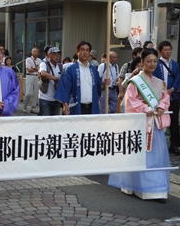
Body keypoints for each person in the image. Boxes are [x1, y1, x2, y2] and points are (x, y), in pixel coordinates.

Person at [108, 48, 171, 203]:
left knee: (156, 156)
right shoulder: (135, 81)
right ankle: (134, 186)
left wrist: (162, 106)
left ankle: (156, 190)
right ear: (142, 62)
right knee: (139, 155)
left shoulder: (159, 83)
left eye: (155, 61)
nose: (152, 64)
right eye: (148, 61)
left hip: (154, 124)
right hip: (140, 123)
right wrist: (146, 109)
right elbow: (130, 101)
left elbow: (165, 97)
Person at [54, 41, 107, 115]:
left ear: (89, 53)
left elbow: (98, 87)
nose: (85, 52)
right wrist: (65, 104)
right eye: (82, 50)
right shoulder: (70, 69)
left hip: (92, 107)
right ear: (77, 52)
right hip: (76, 106)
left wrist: (104, 83)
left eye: (87, 50)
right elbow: (65, 87)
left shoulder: (94, 70)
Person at [153, 40, 180, 154]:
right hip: (160, 96)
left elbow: (178, 77)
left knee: (174, 121)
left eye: (169, 49)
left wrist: (172, 89)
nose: (168, 52)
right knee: (159, 120)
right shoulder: (156, 64)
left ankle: (174, 145)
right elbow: (154, 79)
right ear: (160, 51)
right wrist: (164, 92)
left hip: (173, 96)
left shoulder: (175, 64)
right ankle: (158, 145)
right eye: (165, 50)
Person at [38, 47, 62, 116]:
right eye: (55, 54)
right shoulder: (44, 64)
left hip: (56, 99)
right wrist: (56, 78)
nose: (57, 56)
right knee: (46, 119)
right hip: (45, 97)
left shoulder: (60, 66)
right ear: (49, 55)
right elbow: (43, 73)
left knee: (55, 120)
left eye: (58, 55)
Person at [23, 47, 41, 114]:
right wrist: (36, 68)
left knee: (36, 93)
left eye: (36, 51)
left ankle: (33, 107)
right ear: (31, 52)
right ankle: (25, 106)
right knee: (28, 93)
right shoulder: (28, 59)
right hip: (29, 76)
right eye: (34, 51)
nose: (35, 53)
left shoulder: (39, 60)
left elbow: (40, 69)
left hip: (37, 76)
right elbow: (29, 70)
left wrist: (34, 69)